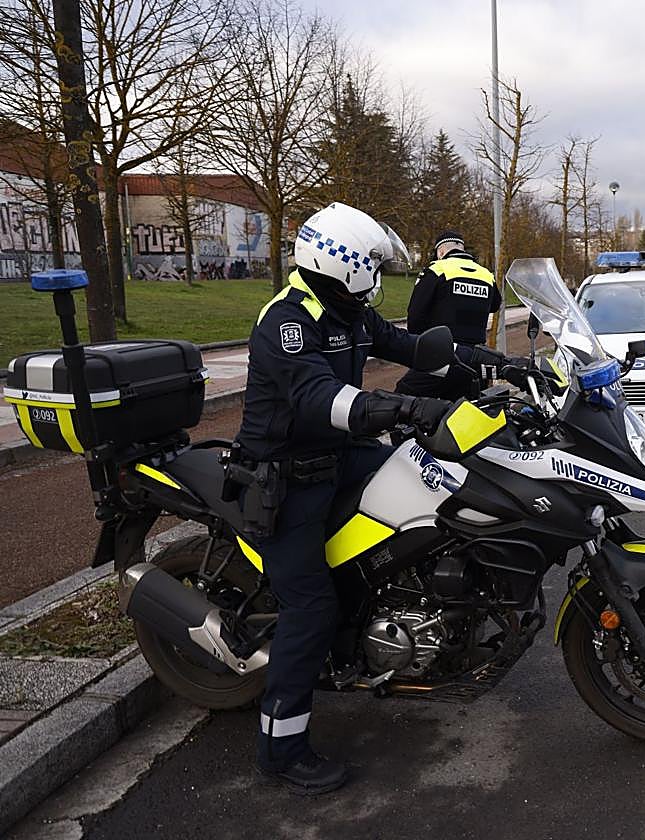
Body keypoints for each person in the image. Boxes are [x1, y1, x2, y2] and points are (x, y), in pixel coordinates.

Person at [236, 203, 521, 795]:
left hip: (338, 458)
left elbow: (415, 346)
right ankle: (281, 748)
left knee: (437, 486)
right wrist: (407, 407)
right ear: (336, 262)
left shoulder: (349, 311)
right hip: (284, 478)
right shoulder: (287, 322)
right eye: (367, 262)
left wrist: (498, 362)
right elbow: (323, 399)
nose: (373, 272)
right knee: (310, 609)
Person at [397, 230, 501, 399]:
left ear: (441, 251)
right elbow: (495, 305)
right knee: (467, 411)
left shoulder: (437, 269)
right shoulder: (486, 274)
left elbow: (415, 313)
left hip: (442, 355)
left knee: (404, 399)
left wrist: (417, 346)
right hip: (475, 360)